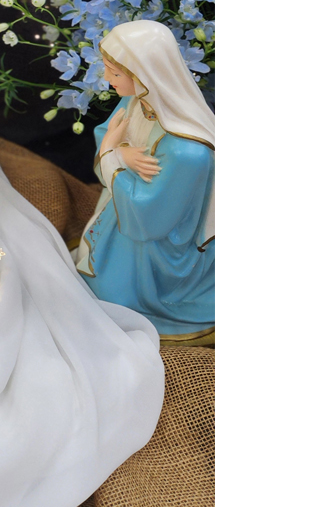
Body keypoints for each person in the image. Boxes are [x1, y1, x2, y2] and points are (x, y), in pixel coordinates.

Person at [74, 18, 215, 339]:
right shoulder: (136, 101)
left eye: (115, 72)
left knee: (111, 293)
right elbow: (107, 133)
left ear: (144, 75)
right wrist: (121, 155)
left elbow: (148, 216)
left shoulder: (187, 151)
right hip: (126, 216)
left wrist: (111, 155)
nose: (106, 78)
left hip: (159, 247)